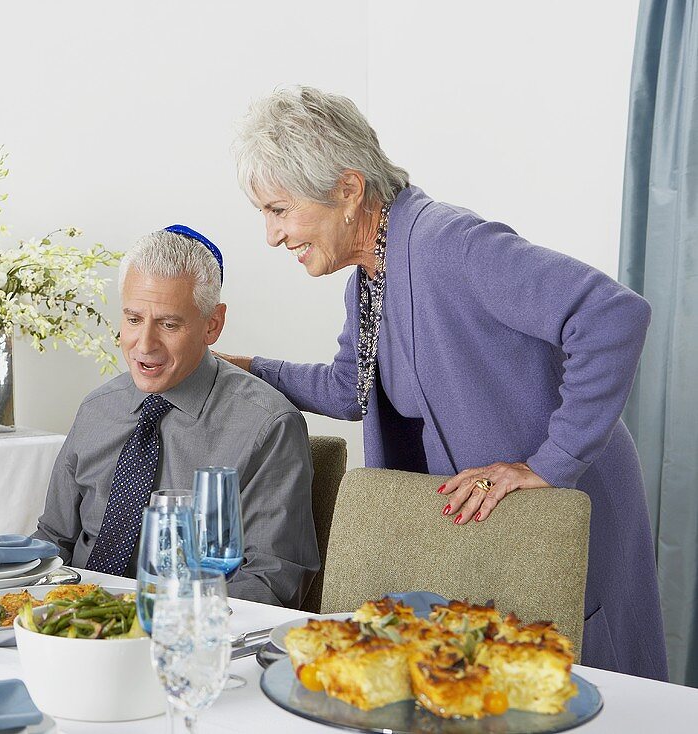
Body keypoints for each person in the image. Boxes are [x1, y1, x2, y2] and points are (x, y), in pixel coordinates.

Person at [217, 85, 668, 678]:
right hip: (495, 527)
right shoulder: (369, 278)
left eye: (279, 210)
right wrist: (248, 368)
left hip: (566, 506)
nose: (272, 236)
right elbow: (353, 388)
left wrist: (549, 462)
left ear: (349, 190)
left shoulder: (446, 244)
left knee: (592, 688)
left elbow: (611, 314)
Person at [34, 227, 319, 607]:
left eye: (169, 324)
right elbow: (53, 542)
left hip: (188, 635)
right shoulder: (97, 409)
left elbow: (269, 585)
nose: (145, 344)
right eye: (133, 319)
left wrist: (156, 620)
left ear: (212, 325)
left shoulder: (267, 426)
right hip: (71, 628)